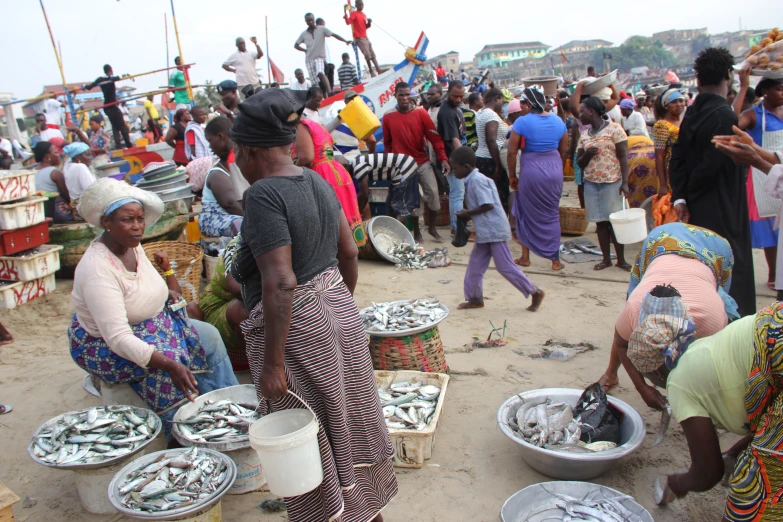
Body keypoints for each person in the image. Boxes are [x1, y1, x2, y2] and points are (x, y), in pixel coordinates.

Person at [228, 88, 397, 521]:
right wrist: (332, 305)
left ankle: (339, 514)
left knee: (313, 443)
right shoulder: (319, 178)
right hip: (337, 312)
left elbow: (281, 281)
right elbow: (349, 253)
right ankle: (366, 511)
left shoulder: (263, 195)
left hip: (298, 334)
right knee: (347, 425)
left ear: (248, 149)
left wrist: (271, 364)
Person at [69, 178, 238, 436]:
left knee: (209, 337)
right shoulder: (97, 270)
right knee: (169, 365)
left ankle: (228, 405)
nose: (137, 227)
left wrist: (166, 291)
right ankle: (182, 431)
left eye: (140, 219)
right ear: (107, 223)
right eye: (128, 220)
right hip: (109, 345)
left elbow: (150, 287)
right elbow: (118, 338)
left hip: (156, 324)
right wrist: (169, 364)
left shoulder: (131, 247)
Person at [619, 288, 783, 519]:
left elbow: (708, 473)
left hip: (775, 346)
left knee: (755, 488)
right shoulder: (705, 347)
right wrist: (735, 452)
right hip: (774, 322)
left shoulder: (678, 383)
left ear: (657, 370)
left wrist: (678, 483)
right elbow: (771, 420)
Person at [598, 223, 739, 395]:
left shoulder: (712, 323)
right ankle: (610, 374)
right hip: (660, 241)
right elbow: (621, 343)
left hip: (715, 248)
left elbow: (717, 363)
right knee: (624, 326)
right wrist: (642, 387)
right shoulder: (634, 308)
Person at [670, 47, 755, 317]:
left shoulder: (692, 113)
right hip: (723, 204)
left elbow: (678, 158)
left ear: (698, 80)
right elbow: (712, 163)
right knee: (731, 263)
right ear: (728, 76)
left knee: (703, 264)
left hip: (695, 205)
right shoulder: (725, 115)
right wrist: (690, 191)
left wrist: (681, 197)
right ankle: (731, 321)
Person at [451, 147, 545, 312]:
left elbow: (488, 204)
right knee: (475, 266)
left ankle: (535, 291)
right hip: (485, 231)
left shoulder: (477, 180)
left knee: (505, 266)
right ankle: (474, 298)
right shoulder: (472, 179)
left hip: (494, 230)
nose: (453, 172)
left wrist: (468, 213)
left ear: (466, 166)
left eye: (455, 168)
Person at [291, 95, 366, 248]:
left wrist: (291, 173)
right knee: (343, 213)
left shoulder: (301, 126)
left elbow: (306, 157)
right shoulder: (316, 124)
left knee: (329, 217)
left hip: (321, 173)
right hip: (335, 170)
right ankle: (349, 253)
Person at [507, 86, 568, 271]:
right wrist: (558, 167)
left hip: (531, 171)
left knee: (525, 212)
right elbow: (564, 149)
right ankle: (555, 261)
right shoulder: (558, 121)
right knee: (551, 214)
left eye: (522, 104)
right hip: (554, 169)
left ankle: (525, 257)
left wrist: (512, 176)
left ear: (527, 104)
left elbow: (511, 152)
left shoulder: (522, 123)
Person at [382, 82, 449, 242]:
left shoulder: (421, 113)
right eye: (401, 95)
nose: (405, 98)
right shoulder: (388, 116)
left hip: (422, 161)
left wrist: (443, 158)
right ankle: (417, 232)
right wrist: (389, 165)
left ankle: (432, 228)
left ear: (411, 95)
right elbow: (387, 144)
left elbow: (435, 138)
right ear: (395, 96)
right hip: (402, 164)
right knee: (412, 199)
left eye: (407, 95)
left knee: (433, 193)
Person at [735, 72, 783, 291]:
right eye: (779, 88)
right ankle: (774, 272)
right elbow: (732, 123)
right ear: (765, 91)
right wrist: (743, 87)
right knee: (769, 227)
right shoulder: (753, 115)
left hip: (780, 166)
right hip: (760, 176)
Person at [577, 96, 631, 271]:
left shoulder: (615, 129)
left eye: (582, 111)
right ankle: (606, 259)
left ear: (591, 111)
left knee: (614, 222)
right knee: (600, 222)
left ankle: (621, 259)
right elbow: (579, 162)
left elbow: (623, 157)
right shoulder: (584, 135)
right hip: (592, 183)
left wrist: (625, 182)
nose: (580, 115)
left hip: (612, 181)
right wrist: (587, 155)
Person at [186, 237, 249, 371]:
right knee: (245, 310)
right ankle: (259, 365)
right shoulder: (237, 247)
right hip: (216, 313)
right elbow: (237, 289)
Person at [199, 117, 243, 238]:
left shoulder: (235, 162)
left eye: (210, 141)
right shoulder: (216, 174)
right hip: (214, 219)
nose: (210, 146)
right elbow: (231, 205)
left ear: (220, 136)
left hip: (233, 215)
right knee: (243, 225)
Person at [295, 13, 352, 95]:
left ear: (314, 20)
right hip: (309, 59)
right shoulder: (304, 34)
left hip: (319, 57)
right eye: (308, 21)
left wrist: (345, 41)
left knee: (320, 73)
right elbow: (296, 45)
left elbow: (333, 34)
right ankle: (320, 97)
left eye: (311, 20)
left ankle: (329, 91)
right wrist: (304, 50)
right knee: (314, 81)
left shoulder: (321, 29)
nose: (310, 22)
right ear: (306, 22)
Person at [438, 81, 467, 233]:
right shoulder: (447, 112)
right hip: (453, 159)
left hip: (456, 158)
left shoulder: (455, 108)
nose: (458, 99)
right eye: (455, 96)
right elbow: (455, 140)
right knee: (457, 194)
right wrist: (467, 161)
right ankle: (457, 227)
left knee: (457, 193)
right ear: (448, 93)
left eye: (461, 96)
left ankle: (457, 226)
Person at [348, 152, 417, 215]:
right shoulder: (356, 165)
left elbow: (365, 194)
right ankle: (391, 226)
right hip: (397, 170)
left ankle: (401, 227)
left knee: (398, 206)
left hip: (404, 166)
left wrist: (357, 214)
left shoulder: (358, 167)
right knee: (390, 205)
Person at [475, 88, 509, 211]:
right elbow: (491, 139)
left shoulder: (481, 112)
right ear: (497, 98)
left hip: (482, 157)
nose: (502, 106)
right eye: (503, 102)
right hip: (490, 159)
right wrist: (497, 165)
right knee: (498, 196)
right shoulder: (491, 114)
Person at [84, 65, 132, 149]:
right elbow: (118, 77)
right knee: (122, 126)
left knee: (115, 126)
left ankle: (118, 145)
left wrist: (84, 87)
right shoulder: (110, 78)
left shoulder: (100, 79)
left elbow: (89, 87)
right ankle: (129, 145)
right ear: (110, 71)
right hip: (112, 106)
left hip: (106, 107)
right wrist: (126, 75)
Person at [653, 89, 686, 197]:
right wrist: (662, 185)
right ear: (666, 105)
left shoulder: (685, 121)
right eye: (674, 102)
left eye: (681, 101)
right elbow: (659, 156)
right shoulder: (662, 125)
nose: (679, 104)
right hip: (672, 170)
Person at [33, 141, 73, 223]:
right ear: (47, 156)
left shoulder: (32, 171)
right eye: (55, 152)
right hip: (53, 213)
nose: (59, 155)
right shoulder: (55, 173)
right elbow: (67, 195)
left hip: (39, 213)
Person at [343, 0, 381, 77]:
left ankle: (379, 70)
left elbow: (365, 27)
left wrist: (369, 23)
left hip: (365, 36)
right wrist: (345, 15)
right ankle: (371, 71)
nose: (361, 6)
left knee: (372, 55)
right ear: (356, 5)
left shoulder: (364, 14)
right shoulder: (354, 13)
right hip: (359, 38)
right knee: (367, 55)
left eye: (362, 5)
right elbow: (348, 22)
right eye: (359, 5)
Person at [62, 143, 96, 217]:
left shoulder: (68, 166)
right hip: (86, 211)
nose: (90, 158)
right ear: (78, 157)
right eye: (87, 155)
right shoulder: (80, 167)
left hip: (77, 211)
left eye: (91, 154)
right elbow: (93, 191)